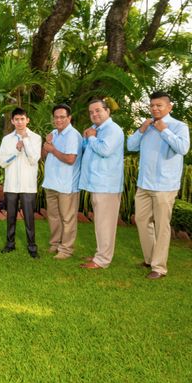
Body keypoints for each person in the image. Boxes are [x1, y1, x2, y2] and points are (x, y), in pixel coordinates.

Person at [127, 91, 190, 279]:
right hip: (144, 184)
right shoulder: (147, 127)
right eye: (152, 105)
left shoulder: (179, 126)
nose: (155, 108)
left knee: (162, 226)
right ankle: (149, 259)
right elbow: (130, 146)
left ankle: (159, 268)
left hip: (165, 185)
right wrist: (142, 129)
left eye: (159, 105)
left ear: (169, 107)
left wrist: (164, 130)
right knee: (141, 221)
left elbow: (183, 148)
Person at [79, 99, 124, 270]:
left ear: (108, 111)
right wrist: (88, 137)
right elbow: (89, 151)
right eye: (91, 112)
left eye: (98, 110)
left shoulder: (113, 130)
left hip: (107, 185)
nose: (94, 114)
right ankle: (100, 254)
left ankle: (102, 260)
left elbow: (105, 150)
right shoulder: (97, 130)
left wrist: (90, 137)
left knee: (105, 224)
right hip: (97, 183)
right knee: (100, 222)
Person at [0, 107, 42, 258]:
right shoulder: (7, 139)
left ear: (27, 120)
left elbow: (33, 159)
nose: (20, 122)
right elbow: (2, 162)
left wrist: (26, 142)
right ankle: (10, 244)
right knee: (10, 217)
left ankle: (32, 247)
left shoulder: (35, 138)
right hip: (11, 185)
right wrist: (16, 151)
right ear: (12, 121)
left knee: (29, 218)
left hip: (28, 185)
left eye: (22, 119)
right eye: (16, 119)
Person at [41, 104, 82, 260]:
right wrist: (47, 145)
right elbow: (43, 156)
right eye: (56, 117)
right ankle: (55, 244)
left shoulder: (72, 135)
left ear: (69, 118)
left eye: (62, 117)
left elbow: (71, 159)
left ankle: (66, 249)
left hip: (67, 185)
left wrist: (52, 150)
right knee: (53, 216)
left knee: (67, 218)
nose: (58, 120)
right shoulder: (53, 134)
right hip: (51, 183)